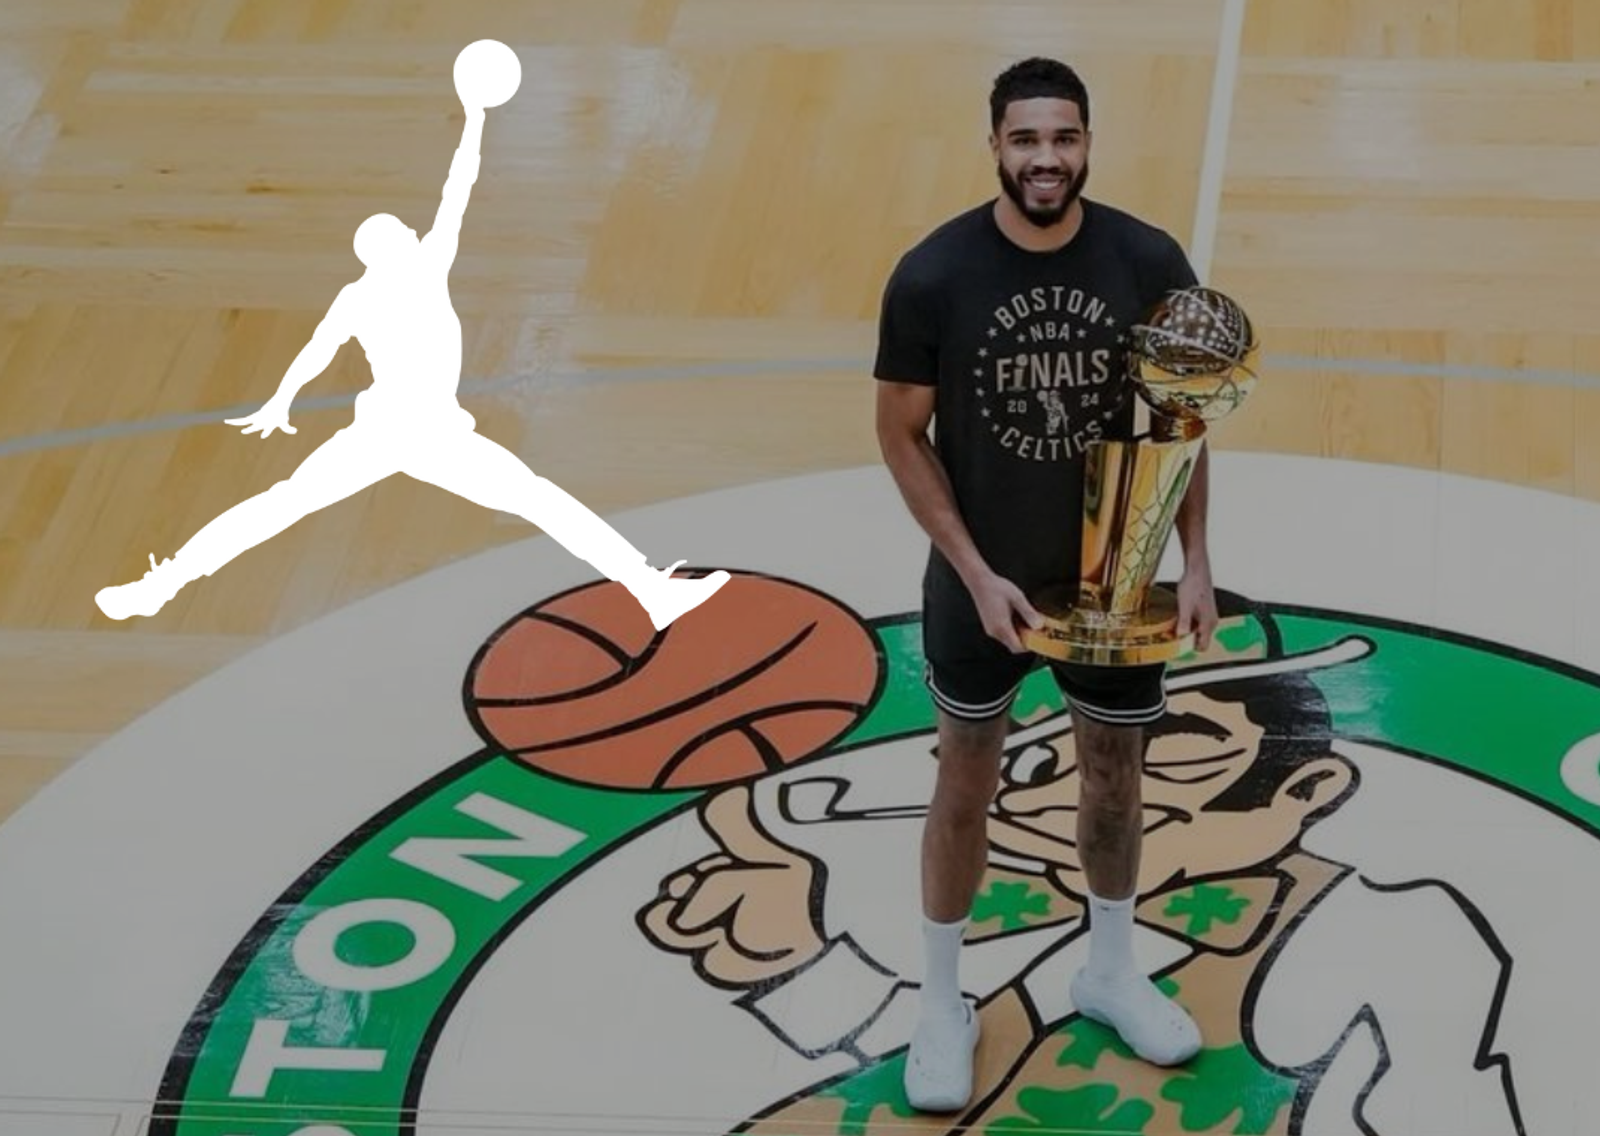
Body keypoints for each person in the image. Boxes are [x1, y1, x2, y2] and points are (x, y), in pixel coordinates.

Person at [873, 57, 1218, 1112]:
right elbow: (898, 432)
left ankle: (1108, 968)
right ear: (993, 145)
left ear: (1087, 144)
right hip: (983, 587)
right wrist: (972, 570)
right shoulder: (934, 275)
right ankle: (942, 998)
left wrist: (1196, 561)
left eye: (1063, 138)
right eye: (1025, 140)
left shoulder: (1145, 257)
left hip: (1114, 584)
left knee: (1114, 780)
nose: (1045, 159)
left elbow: (1185, 418)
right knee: (964, 782)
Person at [95, 86, 728, 630]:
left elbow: (319, 349)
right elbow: (457, 192)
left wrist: (282, 401)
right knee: (535, 499)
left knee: (282, 503)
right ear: (387, 249)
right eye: (400, 232)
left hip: (397, 432)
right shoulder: (420, 271)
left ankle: (162, 585)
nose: (412, 233)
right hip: (408, 432)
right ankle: (648, 588)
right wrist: (476, 115)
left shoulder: (368, 288)